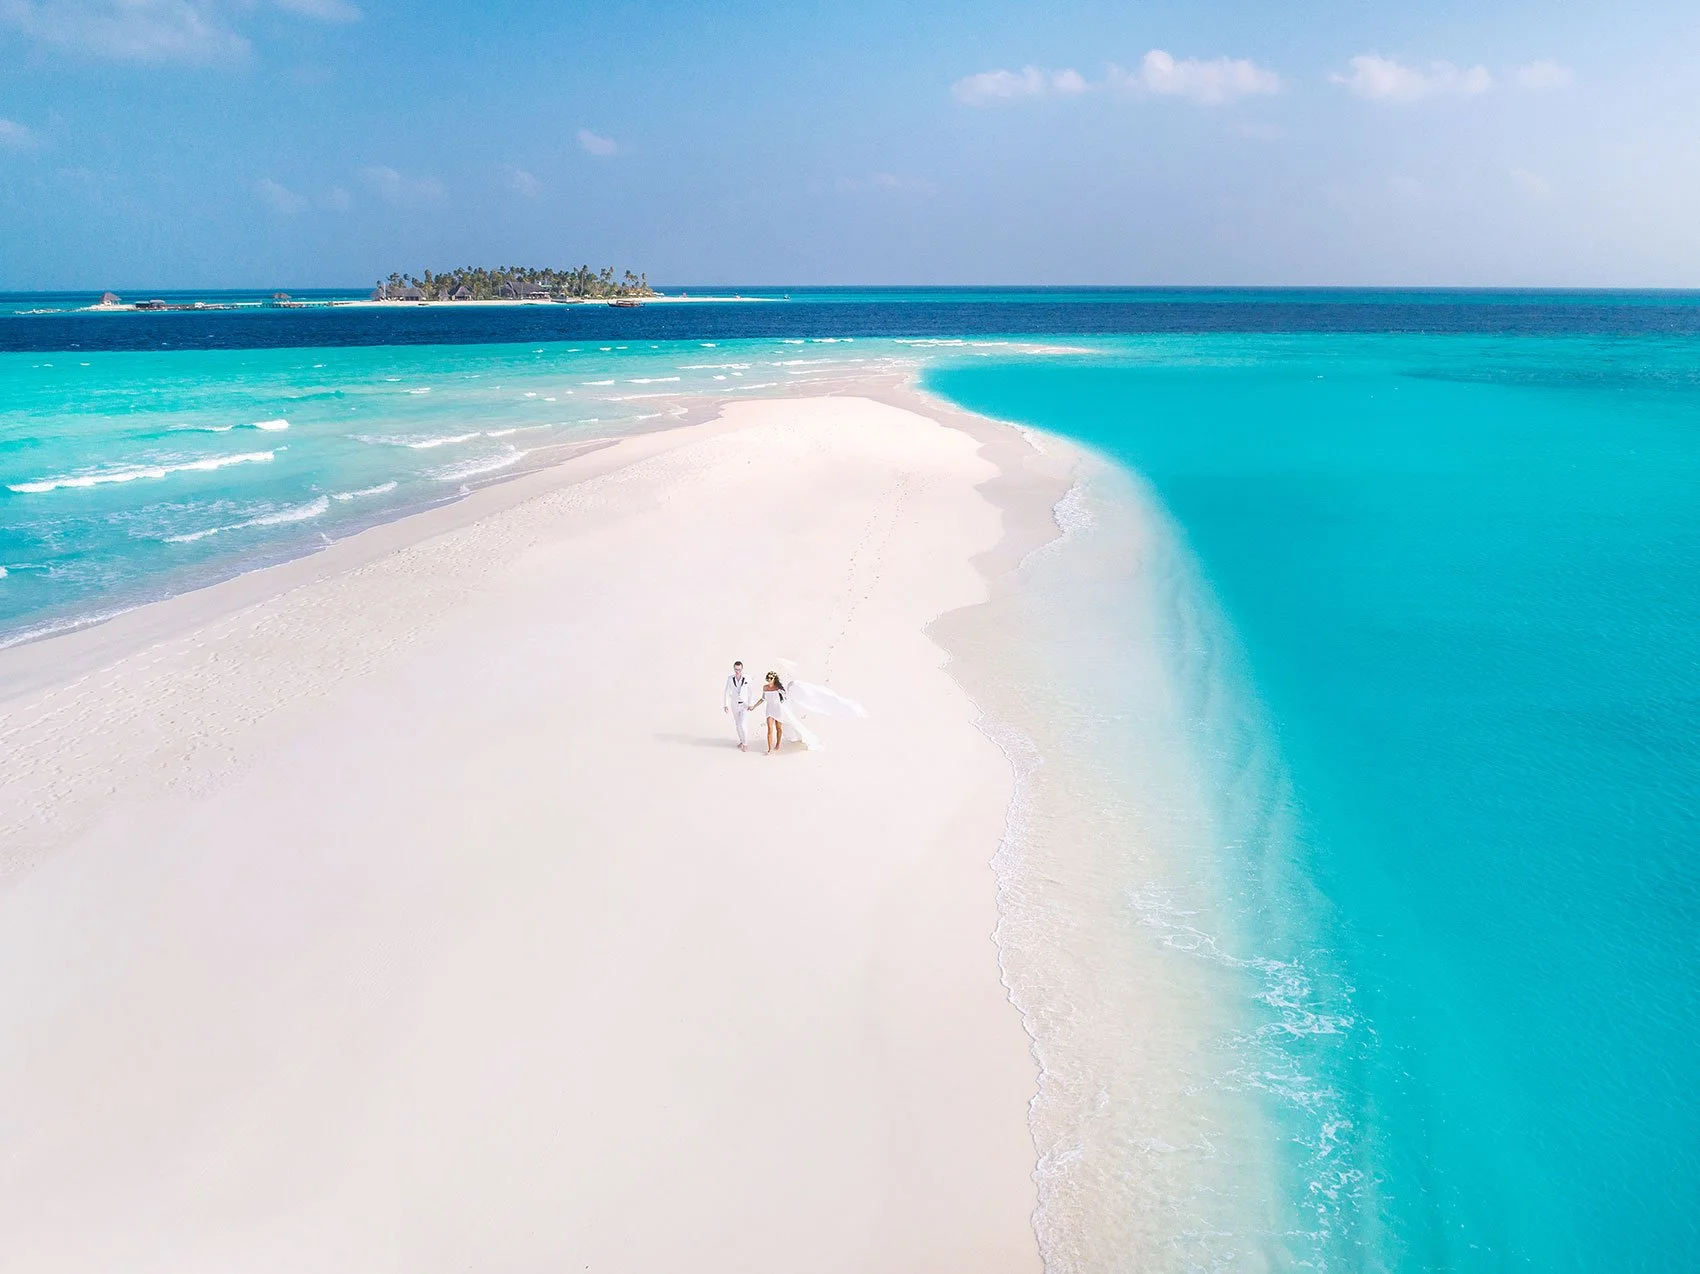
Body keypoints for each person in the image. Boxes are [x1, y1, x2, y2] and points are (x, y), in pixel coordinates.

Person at [722, 660, 753, 751]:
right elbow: (727, 691)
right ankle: (741, 740)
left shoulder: (747, 678)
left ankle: (745, 743)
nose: (737, 671)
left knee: (743, 724)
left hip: (744, 705)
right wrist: (726, 705)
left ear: (742, 669)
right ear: (734, 669)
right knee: (737, 724)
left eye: (739, 669)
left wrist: (751, 704)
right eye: (736, 669)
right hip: (734, 705)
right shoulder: (730, 678)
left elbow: (751, 692)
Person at [758, 671, 788, 754]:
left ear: (774, 679)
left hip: (778, 709)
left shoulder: (778, 688)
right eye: (768, 678)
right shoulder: (765, 687)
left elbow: (786, 696)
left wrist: (781, 690)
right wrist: (754, 706)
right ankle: (770, 749)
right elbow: (763, 699)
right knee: (770, 729)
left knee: (778, 728)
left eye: (771, 678)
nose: (769, 679)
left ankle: (778, 744)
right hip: (769, 710)